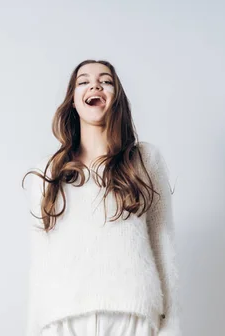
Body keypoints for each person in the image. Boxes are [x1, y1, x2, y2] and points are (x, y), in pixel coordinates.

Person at [22, 60, 182, 336]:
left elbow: (162, 244)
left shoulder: (143, 161)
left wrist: (171, 327)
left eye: (105, 81)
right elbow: (41, 261)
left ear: (116, 98)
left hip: (133, 318)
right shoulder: (45, 173)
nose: (95, 85)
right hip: (63, 320)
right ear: (72, 100)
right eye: (83, 81)